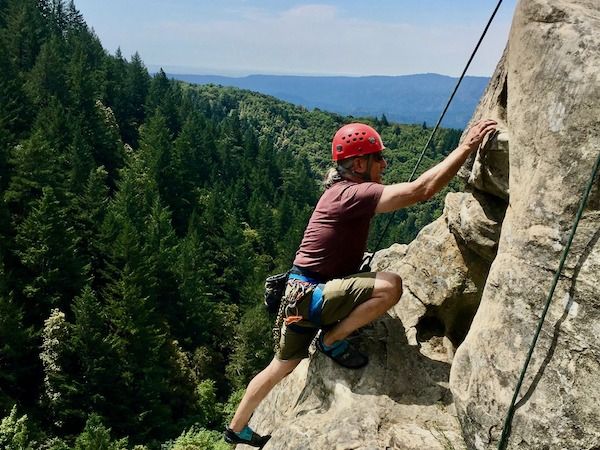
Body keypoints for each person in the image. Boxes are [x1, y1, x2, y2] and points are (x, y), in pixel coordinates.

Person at [223, 119, 497, 447]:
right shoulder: (352, 193)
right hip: (313, 297)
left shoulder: (338, 192)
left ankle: (236, 428)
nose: (384, 164)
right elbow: (422, 190)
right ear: (358, 164)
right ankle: (332, 339)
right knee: (390, 286)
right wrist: (466, 147)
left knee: (280, 365)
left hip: (296, 299)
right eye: (378, 158)